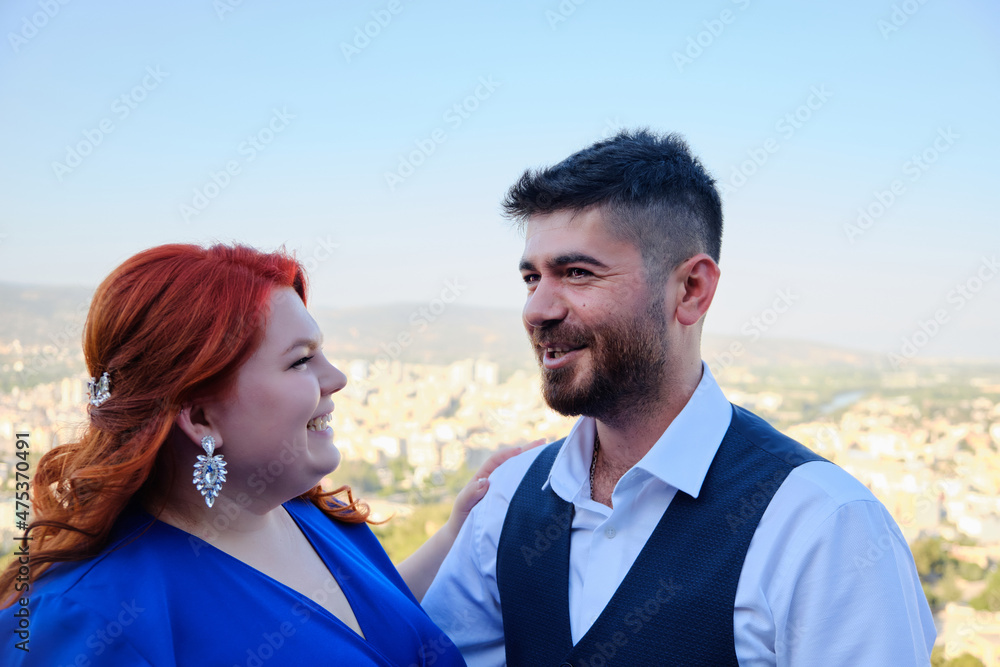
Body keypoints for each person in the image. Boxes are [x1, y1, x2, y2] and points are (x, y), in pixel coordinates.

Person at [421, 130, 936, 665]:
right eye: (532, 278)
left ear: (691, 289)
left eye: (577, 273)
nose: (537, 310)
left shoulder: (823, 528)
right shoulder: (507, 500)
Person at [0, 243, 524, 666]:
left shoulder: (309, 514)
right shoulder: (91, 618)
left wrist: (456, 532)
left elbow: (358, 636)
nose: (337, 378)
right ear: (200, 417)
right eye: (300, 361)